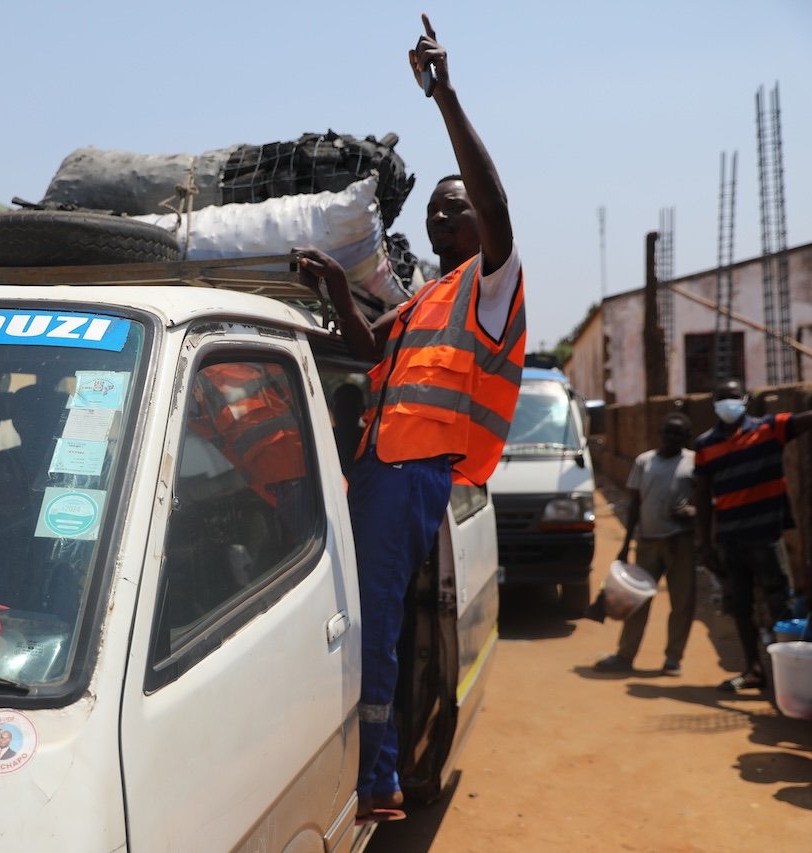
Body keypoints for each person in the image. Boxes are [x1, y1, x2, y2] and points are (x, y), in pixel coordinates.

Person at [296, 14, 525, 823]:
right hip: (380, 464)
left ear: (481, 225)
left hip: (413, 472)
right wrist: (330, 282)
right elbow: (365, 347)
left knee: (376, 617)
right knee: (364, 613)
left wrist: (445, 97)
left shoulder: (492, 285)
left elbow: (494, 201)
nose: (440, 218)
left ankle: (379, 780)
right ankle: (375, 768)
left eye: (453, 210)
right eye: (432, 210)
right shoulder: (428, 293)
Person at [694, 378, 812, 692]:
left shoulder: (769, 428)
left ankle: (787, 677)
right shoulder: (705, 445)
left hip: (767, 536)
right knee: (741, 608)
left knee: (781, 606)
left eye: (733, 397)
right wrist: (705, 543)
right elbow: (703, 496)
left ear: (744, 399)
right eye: (722, 398)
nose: (728, 403)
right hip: (730, 540)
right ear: (714, 404)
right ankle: (754, 670)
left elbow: (803, 421)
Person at [594, 412, 697, 676]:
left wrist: (692, 512)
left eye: (679, 434)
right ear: (659, 434)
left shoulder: (694, 463)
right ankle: (625, 655)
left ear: (687, 437)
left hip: (680, 542)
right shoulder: (644, 462)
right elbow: (635, 503)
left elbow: (707, 500)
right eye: (668, 432)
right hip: (648, 542)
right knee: (637, 601)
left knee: (682, 602)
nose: (672, 438)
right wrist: (626, 542)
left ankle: (673, 658)